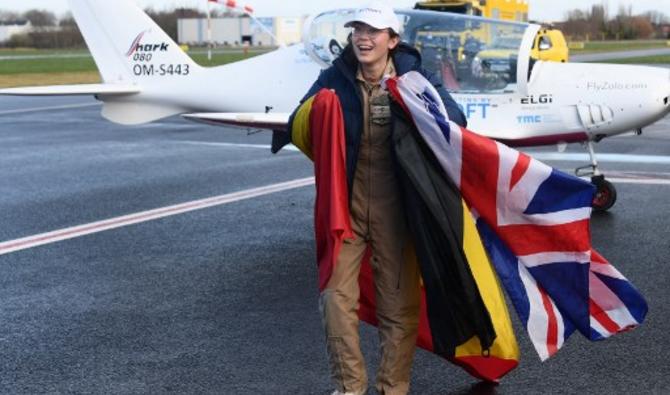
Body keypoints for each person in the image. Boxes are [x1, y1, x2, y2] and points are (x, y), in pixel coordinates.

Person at [286, 3, 467, 394]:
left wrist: (415, 104)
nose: (363, 38)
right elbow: (296, 123)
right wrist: (320, 111)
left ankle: (393, 388)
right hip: (344, 211)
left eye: (373, 31)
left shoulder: (416, 77)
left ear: (393, 40)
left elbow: (456, 121)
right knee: (335, 300)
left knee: (398, 308)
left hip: (396, 212)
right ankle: (350, 387)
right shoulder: (334, 78)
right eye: (358, 30)